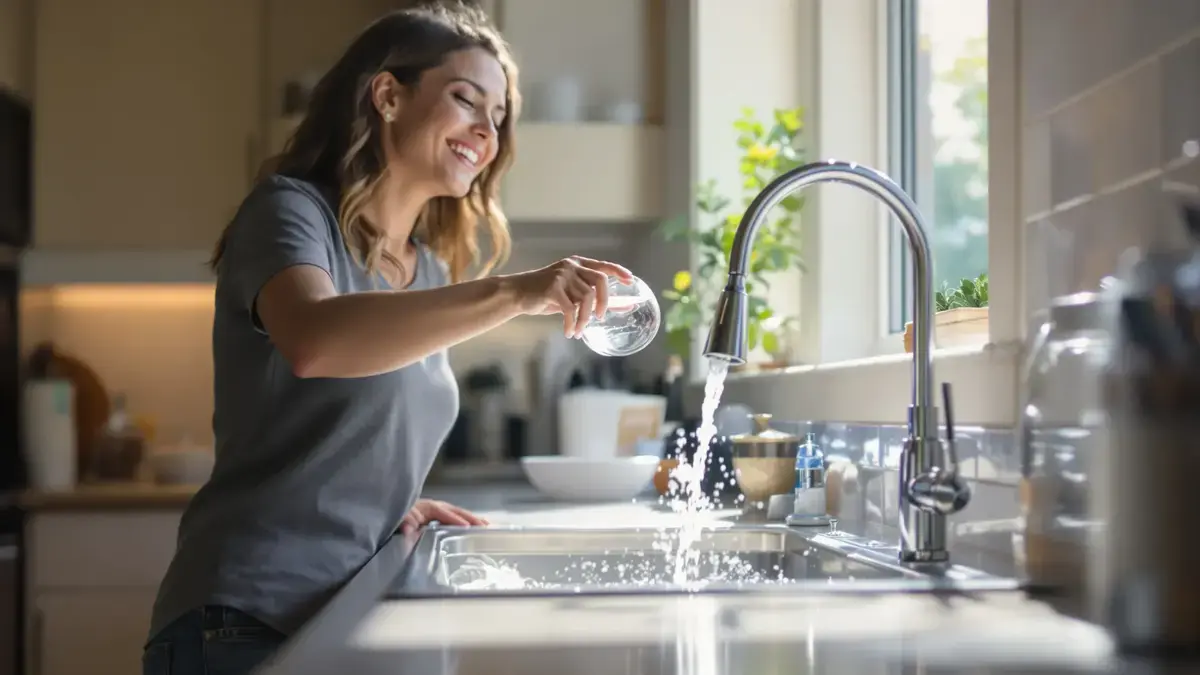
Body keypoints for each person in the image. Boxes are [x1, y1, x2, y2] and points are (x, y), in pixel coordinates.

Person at [142, 5, 631, 675]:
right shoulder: (289, 212)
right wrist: (518, 291)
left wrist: (385, 499)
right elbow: (316, 341)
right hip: (242, 615)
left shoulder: (425, 269)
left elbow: (361, 419)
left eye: (498, 117)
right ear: (388, 95)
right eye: (467, 100)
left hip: (344, 603)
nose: (486, 132)